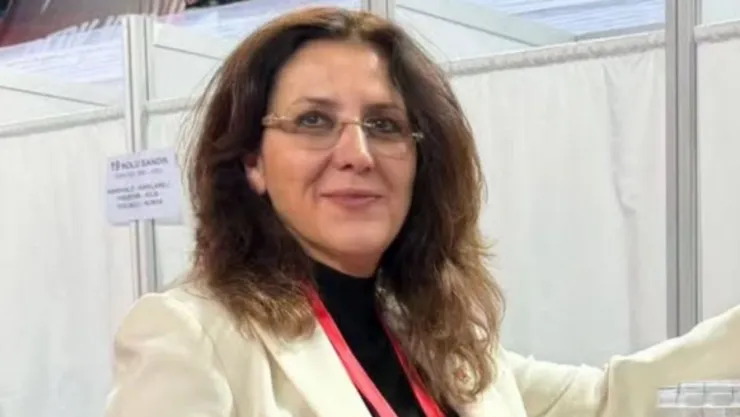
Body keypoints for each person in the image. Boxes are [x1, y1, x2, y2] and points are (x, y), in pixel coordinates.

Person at [104, 6, 740, 417]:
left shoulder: (436, 338)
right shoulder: (191, 336)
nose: (356, 154)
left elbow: (608, 398)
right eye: (313, 121)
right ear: (253, 161)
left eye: (384, 124)